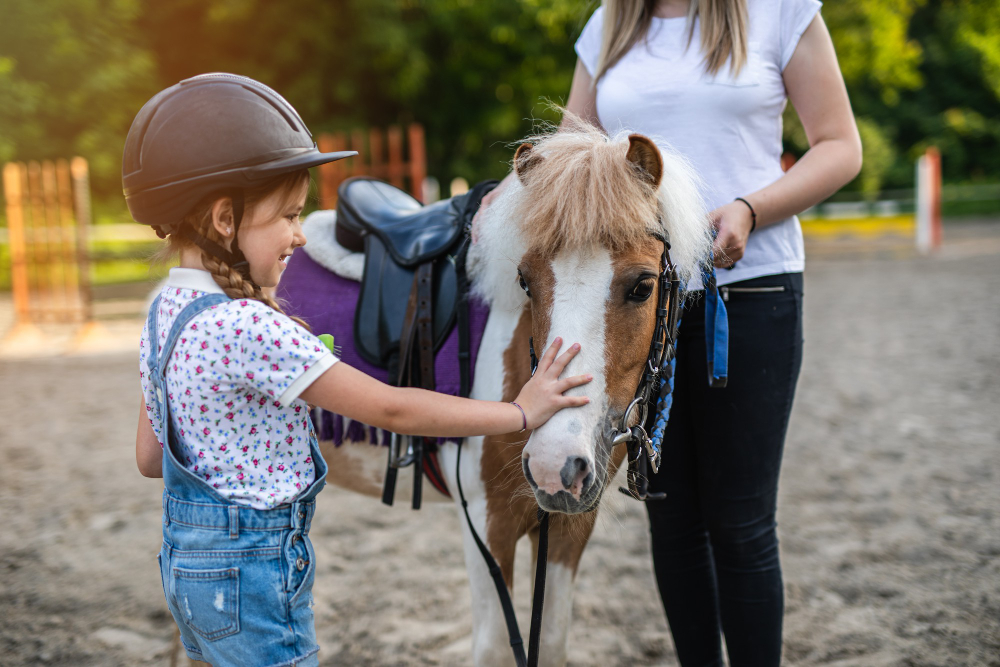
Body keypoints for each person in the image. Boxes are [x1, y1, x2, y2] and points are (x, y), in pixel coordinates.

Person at [126, 74, 593, 667]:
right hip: (257, 571)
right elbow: (391, 407)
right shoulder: (250, 327)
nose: (300, 234)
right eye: (290, 216)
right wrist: (521, 410)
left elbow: (150, 457)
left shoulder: (164, 311)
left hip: (187, 564)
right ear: (224, 219)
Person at [479, 1, 862, 664]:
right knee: (673, 519)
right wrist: (514, 196)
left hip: (748, 290)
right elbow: (577, 152)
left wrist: (750, 207)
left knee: (741, 524)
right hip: (635, 302)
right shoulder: (609, 24)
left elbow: (840, 145)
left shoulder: (780, 12)